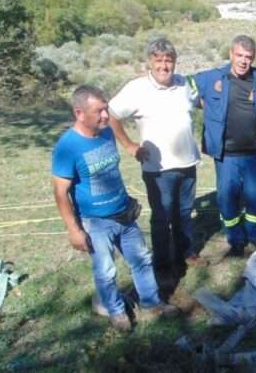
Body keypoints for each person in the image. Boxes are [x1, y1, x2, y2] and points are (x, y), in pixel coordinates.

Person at [52, 85, 178, 332]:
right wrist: (74, 230)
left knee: (141, 259)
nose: (105, 116)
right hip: (95, 222)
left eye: (106, 109)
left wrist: (130, 147)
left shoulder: (106, 132)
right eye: (99, 111)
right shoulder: (67, 147)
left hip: (124, 213)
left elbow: (113, 164)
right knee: (106, 271)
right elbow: (60, 192)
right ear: (79, 113)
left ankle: (152, 303)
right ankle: (117, 312)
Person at [108, 38, 201, 282]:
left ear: (175, 62)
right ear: (150, 62)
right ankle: (162, 264)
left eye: (168, 60)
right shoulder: (136, 88)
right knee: (162, 217)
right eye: (158, 60)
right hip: (158, 170)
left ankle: (185, 252)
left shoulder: (184, 84)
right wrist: (129, 145)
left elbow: (202, 102)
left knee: (184, 212)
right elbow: (111, 114)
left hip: (188, 163)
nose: (163, 66)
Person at [189, 35, 256, 256]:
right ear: (230, 54)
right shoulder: (212, 78)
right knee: (227, 199)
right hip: (226, 155)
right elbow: (181, 83)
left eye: (248, 57)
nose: (243, 61)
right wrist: (201, 102)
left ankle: (255, 235)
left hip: (254, 154)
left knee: (255, 197)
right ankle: (235, 238)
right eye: (239, 55)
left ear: (253, 58)